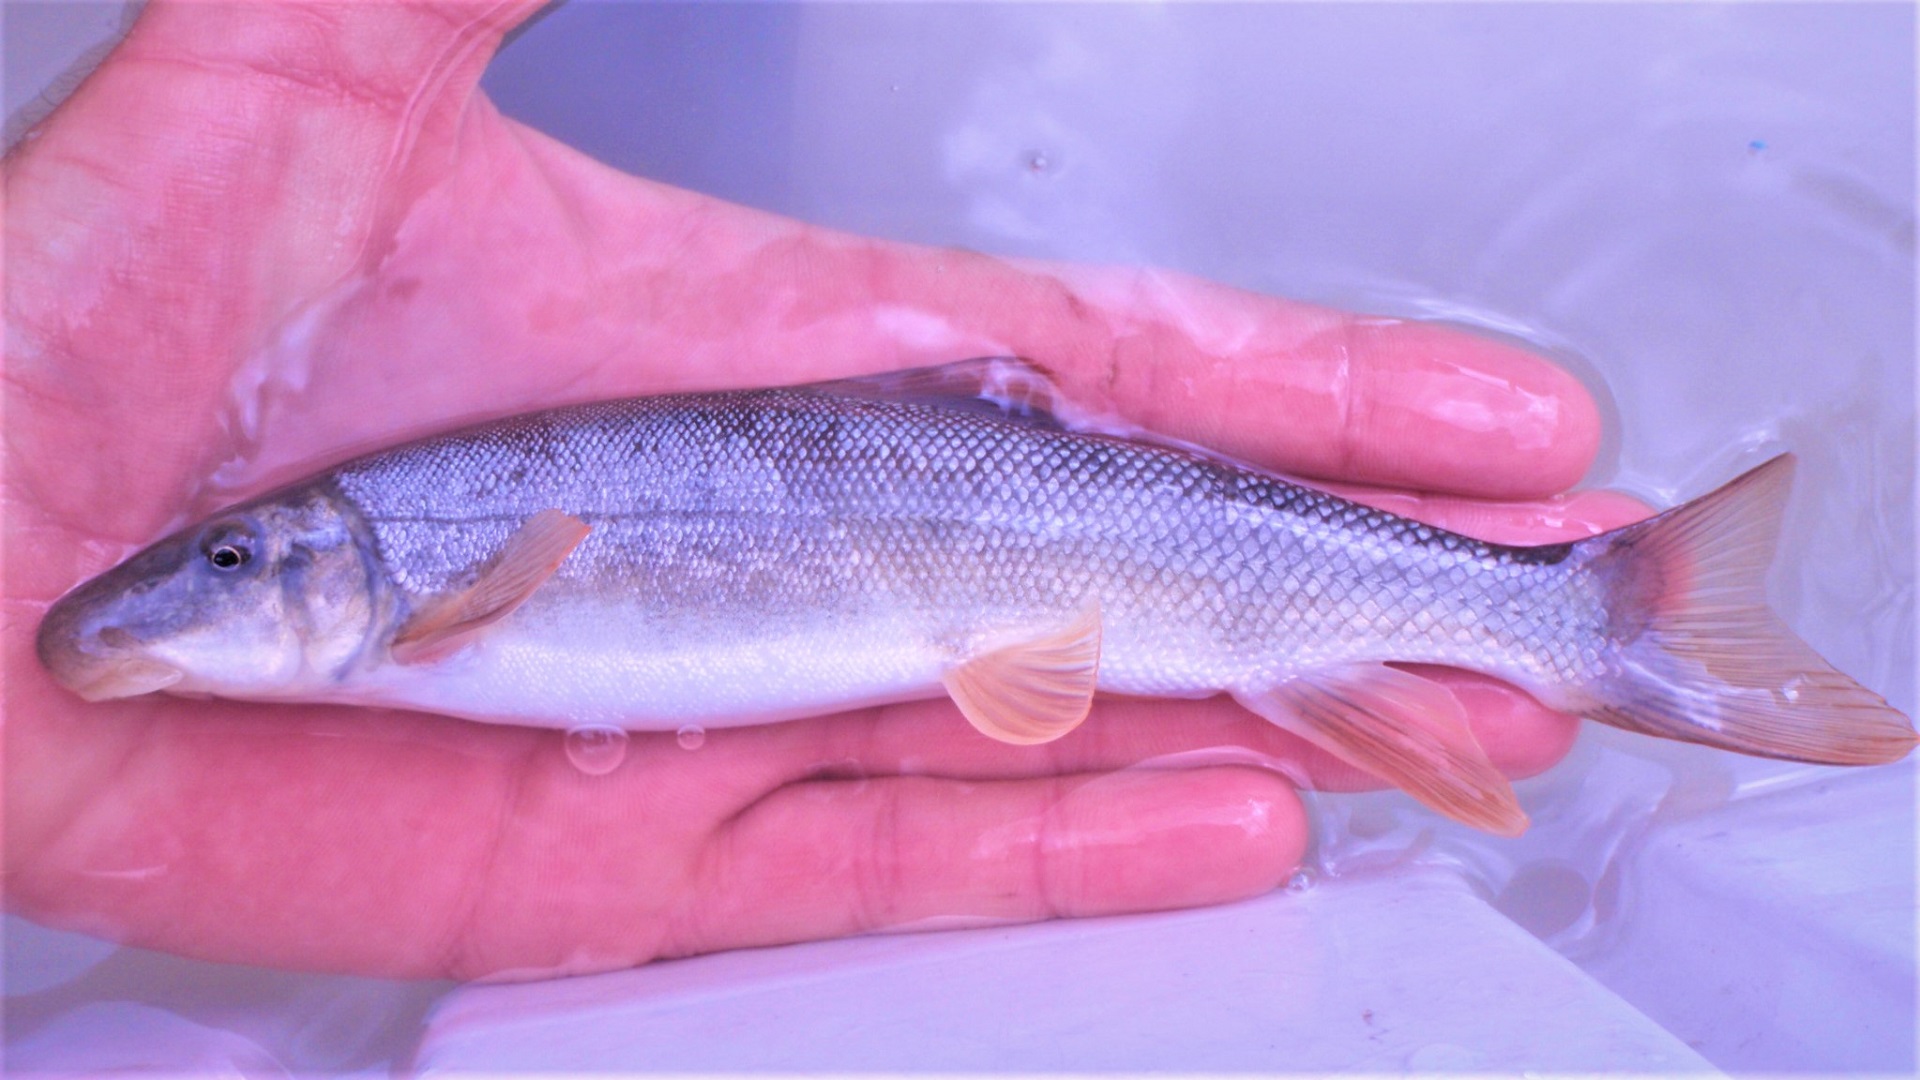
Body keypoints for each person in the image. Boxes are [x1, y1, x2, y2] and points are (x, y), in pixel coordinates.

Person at [2, 1, 1638, 980]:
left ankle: (1571, 618)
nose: (191, 589)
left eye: (231, 559)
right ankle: (1573, 620)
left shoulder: (410, 584)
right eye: (225, 557)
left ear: (307, 566)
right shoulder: (390, 571)